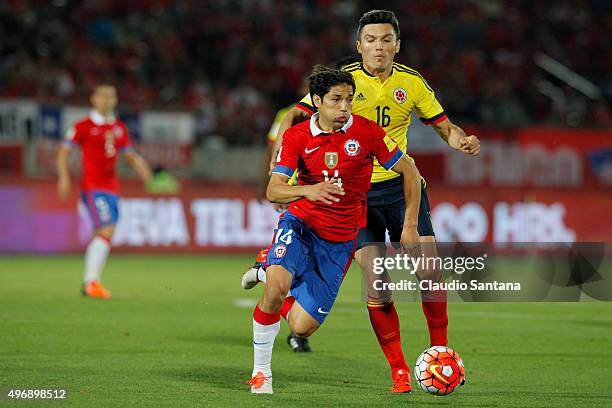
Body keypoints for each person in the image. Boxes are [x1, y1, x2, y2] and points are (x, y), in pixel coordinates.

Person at [244, 10, 480, 392]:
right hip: (356, 196)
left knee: (430, 272)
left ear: (397, 45)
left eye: (386, 39)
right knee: (378, 283)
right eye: (371, 40)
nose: (379, 47)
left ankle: (440, 350)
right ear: (359, 46)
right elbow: (296, 115)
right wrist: (282, 166)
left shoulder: (412, 83)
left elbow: (444, 127)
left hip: (401, 187)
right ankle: (400, 370)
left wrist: (462, 141)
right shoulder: (344, 82)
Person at [246, 66, 421, 394]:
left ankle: (264, 270)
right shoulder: (298, 137)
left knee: (300, 327)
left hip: (341, 238)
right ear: (316, 101)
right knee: (277, 290)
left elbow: (408, 170)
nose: (344, 107)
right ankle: (261, 373)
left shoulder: (367, 133)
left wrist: (409, 224)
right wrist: (307, 191)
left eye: (349, 100)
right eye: (336, 100)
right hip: (300, 224)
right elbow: (274, 190)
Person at [56, 84, 153, 299]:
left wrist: (143, 170)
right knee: (106, 229)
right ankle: (91, 283)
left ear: (115, 100)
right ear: (94, 99)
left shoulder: (119, 127)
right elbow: (64, 151)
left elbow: (128, 155)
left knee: (104, 233)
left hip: (111, 188)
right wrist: (64, 176)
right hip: (93, 186)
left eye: (111, 96)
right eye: (103, 96)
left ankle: (90, 282)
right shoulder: (83, 126)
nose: (107, 100)